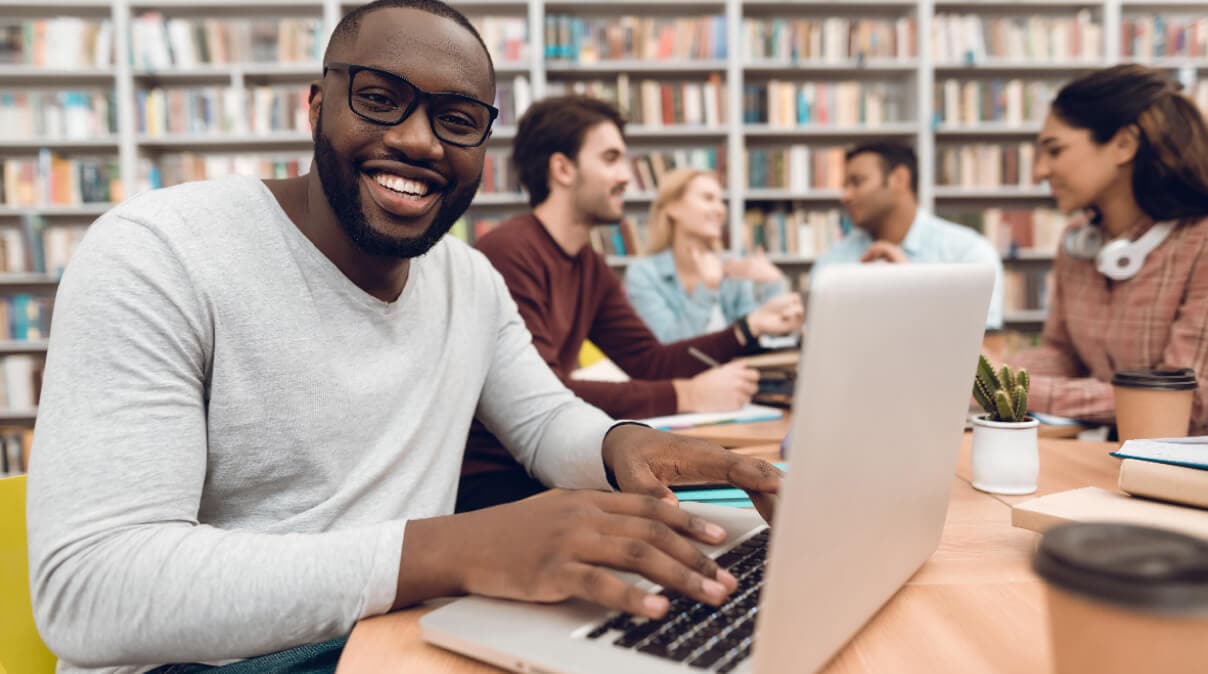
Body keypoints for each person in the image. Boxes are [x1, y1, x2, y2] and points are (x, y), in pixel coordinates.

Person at [24, 3, 782, 672]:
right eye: (380, 100)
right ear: (316, 106)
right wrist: (452, 551)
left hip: (398, 629)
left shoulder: (468, 281)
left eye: (457, 120)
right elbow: (88, 589)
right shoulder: (158, 252)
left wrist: (621, 444)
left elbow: (544, 418)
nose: (419, 141)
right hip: (204, 662)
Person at [460, 96, 803, 512]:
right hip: (498, 484)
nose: (627, 176)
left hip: (552, 470)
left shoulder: (590, 265)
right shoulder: (511, 252)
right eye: (611, 159)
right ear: (563, 168)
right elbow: (545, 395)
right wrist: (686, 393)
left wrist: (747, 327)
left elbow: (648, 360)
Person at [1009, 64, 1208, 434]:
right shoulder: (1078, 240)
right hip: (1115, 459)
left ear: (1123, 145)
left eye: (1055, 150)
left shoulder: (1201, 243)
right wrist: (994, 372)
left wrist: (1018, 390)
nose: (1039, 172)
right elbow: (1062, 354)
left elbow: (1184, 400)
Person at [811, 142, 1005, 330]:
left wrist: (913, 289)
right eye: (845, 185)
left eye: (857, 182)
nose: (846, 196)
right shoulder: (832, 263)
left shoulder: (967, 254)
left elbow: (987, 352)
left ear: (899, 179)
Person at [624, 168, 803, 343]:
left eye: (721, 201)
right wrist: (707, 289)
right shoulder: (644, 274)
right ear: (673, 208)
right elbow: (667, 347)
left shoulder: (733, 270)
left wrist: (773, 283)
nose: (720, 209)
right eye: (708, 198)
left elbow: (758, 337)